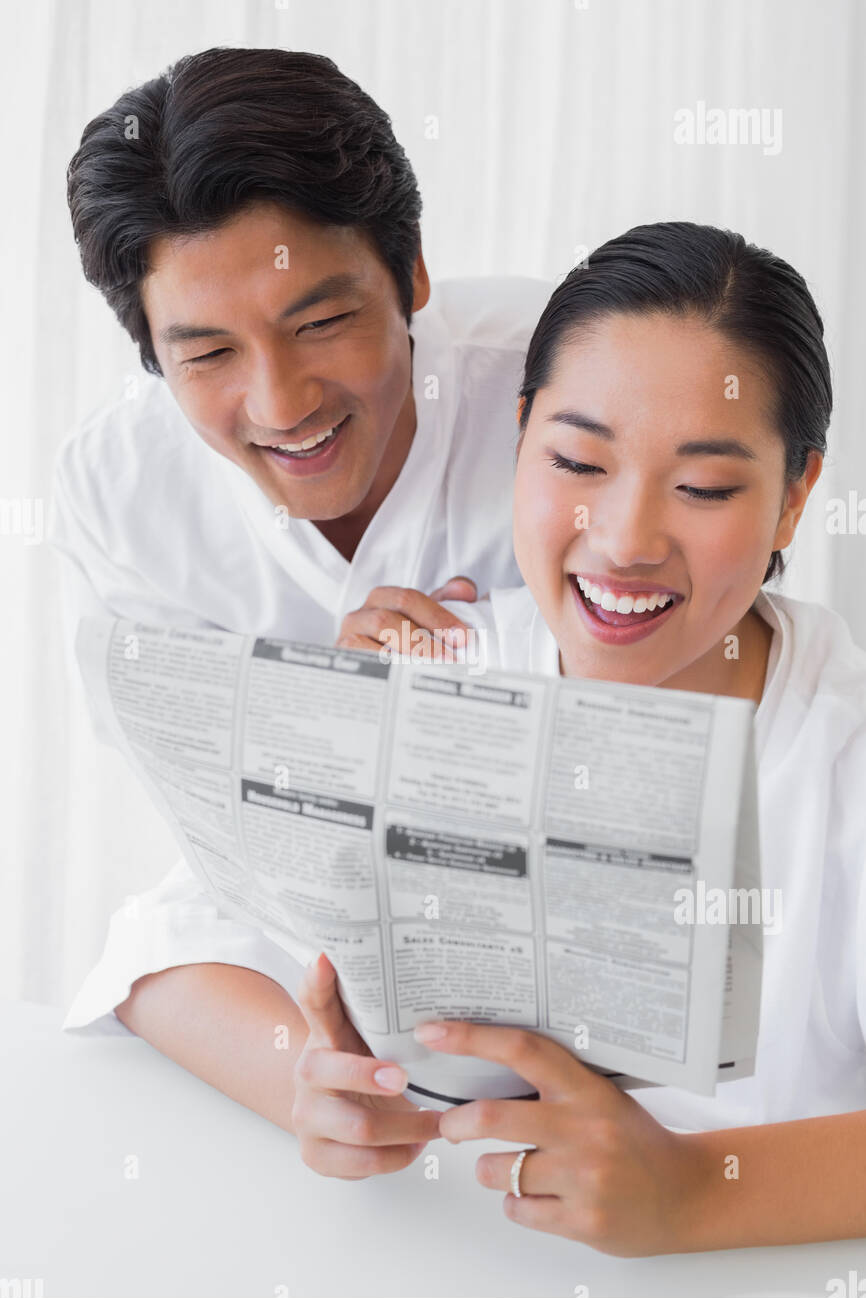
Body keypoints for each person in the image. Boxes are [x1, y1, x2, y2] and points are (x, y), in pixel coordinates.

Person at [302, 222, 866, 1253]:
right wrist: (337, 1090)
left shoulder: (840, 761)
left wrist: (701, 1192)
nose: (624, 540)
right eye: (575, 459)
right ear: (520, 434)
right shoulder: (434, 672)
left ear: (792, 496)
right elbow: (206, 958)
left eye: (702, 487)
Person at [51, 46, 547, 1167]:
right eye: (209, 353)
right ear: (150, 354)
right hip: (308, 909)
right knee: (165, 953)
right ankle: (342, 1095)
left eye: (321, 322)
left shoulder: (562, 383)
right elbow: (218, 828)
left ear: (410, 271)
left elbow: (720, 650)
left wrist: (489, 667)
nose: (280, 404)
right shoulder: (117, 486)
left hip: (556, 895)